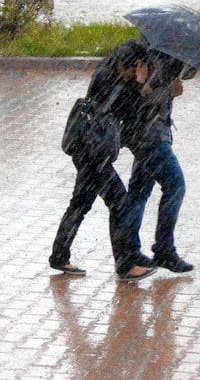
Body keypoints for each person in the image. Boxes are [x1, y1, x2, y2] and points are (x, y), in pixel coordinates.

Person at [49, 41, 155, 281]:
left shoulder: (107, 73)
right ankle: (125, 265)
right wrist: (139, 85)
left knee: (80, 204)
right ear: (132, 65)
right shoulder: (112, 80)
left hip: (87, 151)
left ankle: (59, 255)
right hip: (94, 155)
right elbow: (131, 110)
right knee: (120, 203)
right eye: (137, 68)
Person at [114, 50, 196, 275]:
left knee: (139, 193)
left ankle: (129, 252)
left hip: (147, 135)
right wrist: (170, 91)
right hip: (150, 137)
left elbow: (186, 73)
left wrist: (192, 61)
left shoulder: (168, 53)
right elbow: (142, 100)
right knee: (175, 185)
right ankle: (163, 249)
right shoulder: (155, 57)